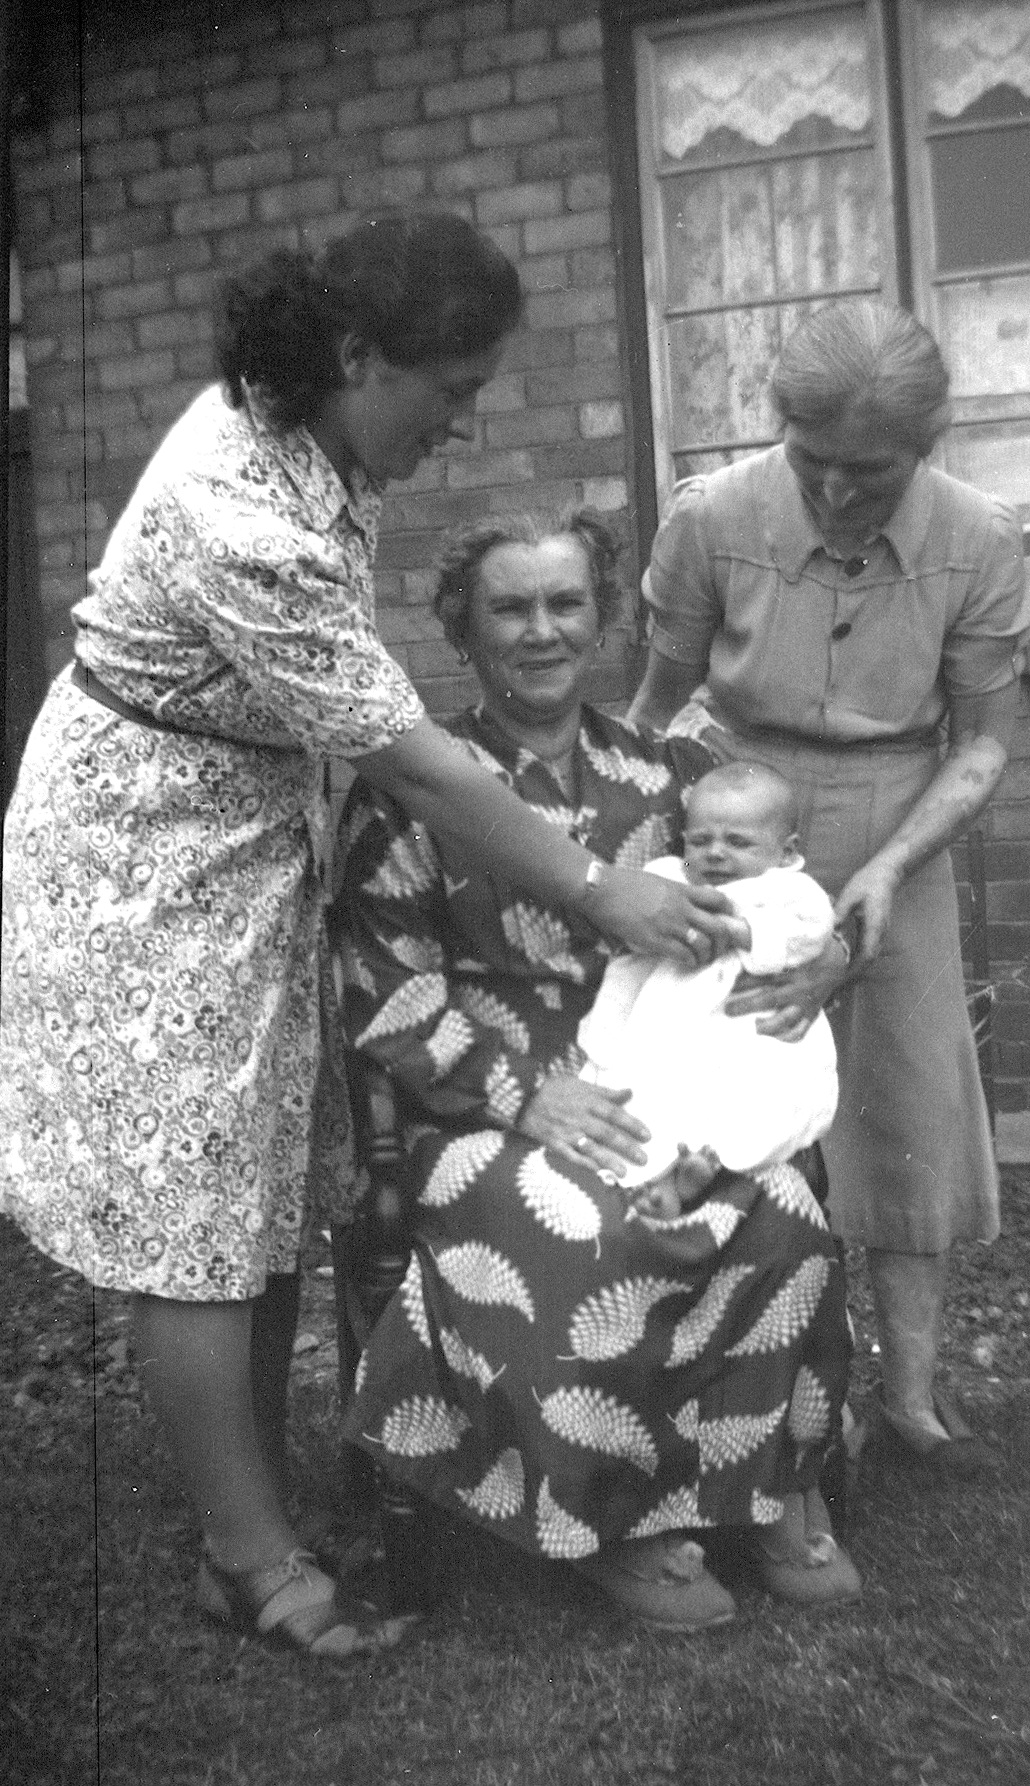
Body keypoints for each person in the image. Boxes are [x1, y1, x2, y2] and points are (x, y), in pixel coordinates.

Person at [0, 212, 740, 1661]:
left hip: (241, 830)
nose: (460, 424)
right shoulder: (244, 510)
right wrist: (599, 889)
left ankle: (252, 1513)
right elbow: (417, 765)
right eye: (450, 390)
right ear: (356, 355)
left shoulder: (318, 443)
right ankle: (247, 1559)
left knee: (263, 1187)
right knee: (192, 1215)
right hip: (139, 861)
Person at [331, 508, 861, 1629]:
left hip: (672, 1084)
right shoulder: (417, 787)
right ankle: (616, 1517)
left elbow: (779, 894)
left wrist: (829, 959)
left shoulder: (675, 774)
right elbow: (387, 997)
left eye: (565, 603)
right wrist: (529, 1096)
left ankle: (766, 1482)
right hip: (481, 1105)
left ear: (605, 618)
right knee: (588, 1223)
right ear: (463, 631)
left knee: (776, 1205)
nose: (542, 631)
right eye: (510, 609)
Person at [628, 298, 1030, 1477]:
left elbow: (982, 741)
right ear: (779, 426)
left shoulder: (979, 538)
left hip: (900, 815)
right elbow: (654, 703)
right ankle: (727, 1382)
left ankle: (906, 1399)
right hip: (730, 814)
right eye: (814, 462)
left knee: (907, 1110)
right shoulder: (711, 517)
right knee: (716, 1074)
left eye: (873, 469)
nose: (840, 491)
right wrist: (649, 851)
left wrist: (890, 869)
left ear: (928, 444)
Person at [578, 759, 840, 1220]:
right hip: (673, 1011)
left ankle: (712, 1163)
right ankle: (660, 1179)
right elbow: (634, 925)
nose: (715, 854)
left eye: (737, 842)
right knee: (650, 1090)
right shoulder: (667, 878)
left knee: (765, 1097)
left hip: (748, 1024)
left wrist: (746, 933)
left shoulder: (789, 889)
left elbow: (812, 929)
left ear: (785, 852)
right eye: (700, 841)